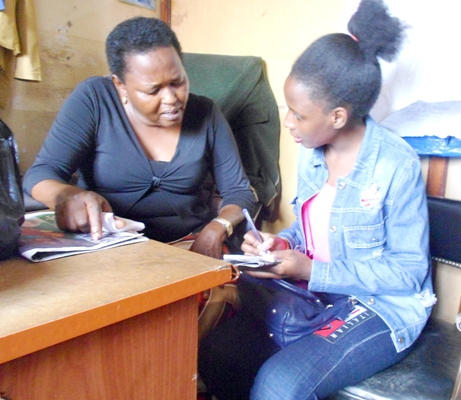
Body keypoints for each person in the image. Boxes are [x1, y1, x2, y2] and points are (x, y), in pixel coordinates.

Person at [198, 0, 436, 398]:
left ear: (338, 117)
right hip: (319, 292)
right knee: (217, 351)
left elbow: (409, 271)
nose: (288, 122)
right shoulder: (313, 153)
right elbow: (312, 228)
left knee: (280, 386)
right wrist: (282, 244)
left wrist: (310, 270)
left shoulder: (398, 165)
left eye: (297, 114)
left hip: (379, 307)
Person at [23, 17, 256, 259]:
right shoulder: (94, 100)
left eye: (178, 82)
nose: (171, 98)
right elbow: (41, 173)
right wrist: (66, 195)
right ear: (120, 85)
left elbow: (239, 192)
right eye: (153, 90)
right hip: (110, 247)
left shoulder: (205, 113)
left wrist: (217, 229)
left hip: (189, 244)